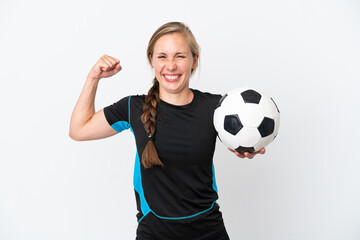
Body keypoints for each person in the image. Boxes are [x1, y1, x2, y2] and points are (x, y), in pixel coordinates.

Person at [69, 22, 265, 240]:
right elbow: (79, 129)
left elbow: (241, 135)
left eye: (180, 56)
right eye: (162, 56)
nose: (170, 65)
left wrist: (248, 145)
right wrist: (93, 78)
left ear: (194, 60)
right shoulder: (134, 108)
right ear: (152, 60)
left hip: (208, 230)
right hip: (154, 232)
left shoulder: (217, 108)